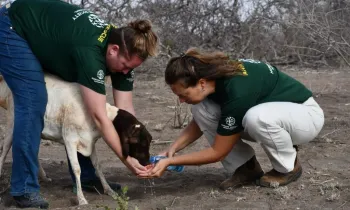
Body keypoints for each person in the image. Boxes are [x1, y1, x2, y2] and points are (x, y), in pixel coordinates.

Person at [0, 0, 158, 208]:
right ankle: (23, 189)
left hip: (50, 36)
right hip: (12, 27)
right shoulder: (90, 53)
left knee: (81, 99)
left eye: (132, 68)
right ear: (113, 50)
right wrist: (127, 159)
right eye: (126, 66)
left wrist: (137, 149)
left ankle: (86, 178)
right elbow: (99, 117)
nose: (126, 72)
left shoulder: (121, 53)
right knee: (33, 99)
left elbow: (124, 112)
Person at [141, 48, 324, 191]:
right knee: (201, 108)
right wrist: (173, 149)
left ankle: (288, 167)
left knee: (257, 118)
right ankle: (245, 167)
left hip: (305, 116)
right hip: (279, 115)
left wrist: (171, 162)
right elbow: (203, 120)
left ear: (201, 83)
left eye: (183, 94)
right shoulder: (214, 79)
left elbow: (218, 152)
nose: (180, 100)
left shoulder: (236, 91)